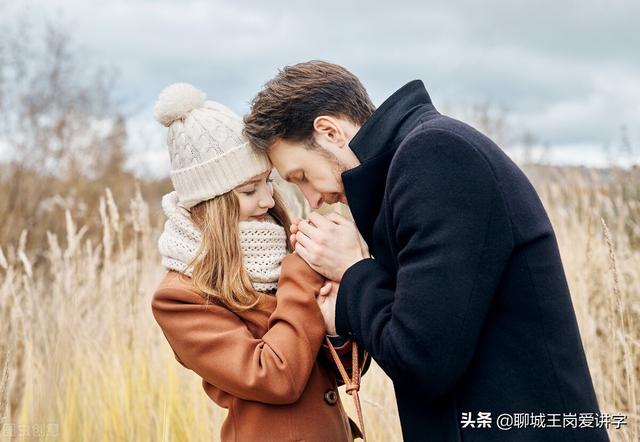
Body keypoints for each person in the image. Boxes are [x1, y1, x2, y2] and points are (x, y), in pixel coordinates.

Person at [243, 61, 609, 441]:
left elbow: (422, 360)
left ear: (330, 131)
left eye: (302, 176)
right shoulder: (409, 169)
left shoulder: (437, 157)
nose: (312, 200)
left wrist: (353, 272)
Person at [150, 83, 370, 442]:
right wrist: (302, 272)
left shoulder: (280, 251)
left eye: (268, 182)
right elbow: (274, 377)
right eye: (249, 190)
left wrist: (336, 319)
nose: (268, 199)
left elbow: (344, 368)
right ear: (212, 202)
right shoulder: (180, 298)